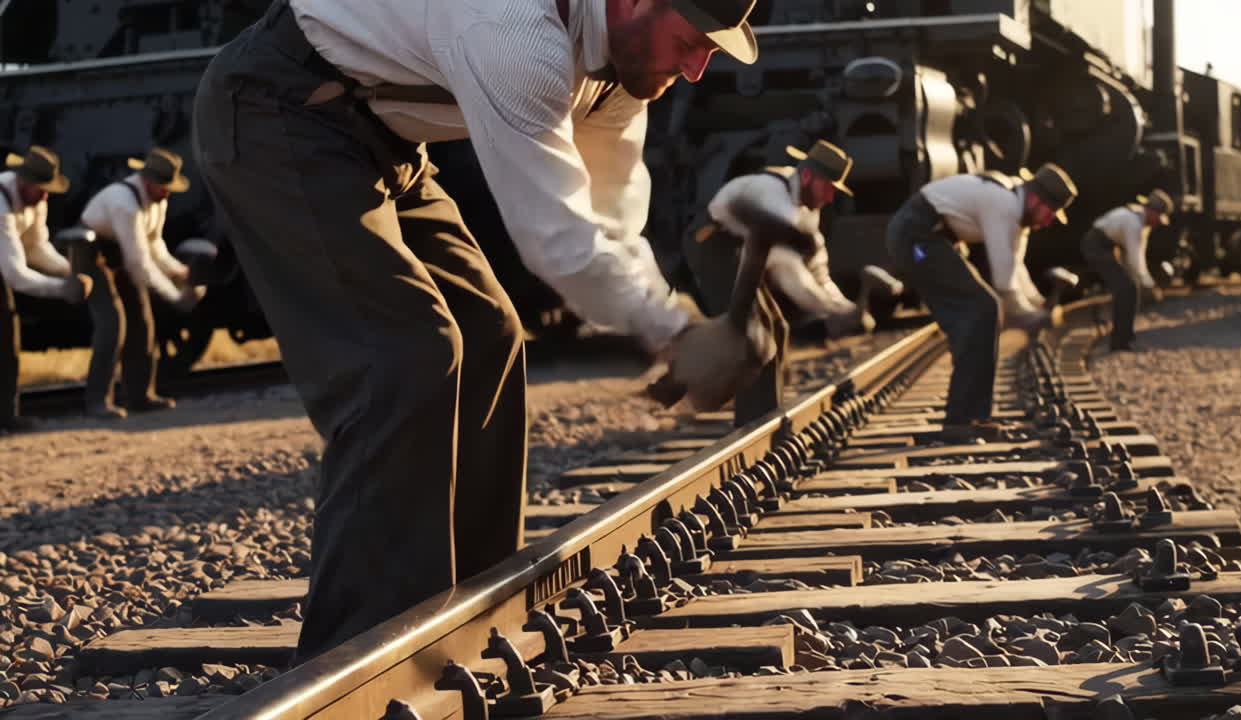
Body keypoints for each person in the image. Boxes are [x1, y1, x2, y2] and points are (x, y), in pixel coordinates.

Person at [192, 0, 764, 663]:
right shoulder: (514, 31)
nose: (695, 70)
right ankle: (358, 655)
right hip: (279, 108)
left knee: (491, 336)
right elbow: (556, 239)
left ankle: (474, 609)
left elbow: (606, 218)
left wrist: (674, 325)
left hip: (382, 136)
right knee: (405, 360)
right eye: (692, 42)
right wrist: (675, 331)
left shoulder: (623, 70)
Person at [886, 164, 1078, 438]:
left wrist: (1038, 303)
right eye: (1051, 212)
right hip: (915, 243)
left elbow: (1016, 269)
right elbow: (1004, 283)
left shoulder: (1016, 209)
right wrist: (1034, 317)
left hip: (929, 240)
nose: (1049, 221)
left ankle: (973, 415)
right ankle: (960, 418)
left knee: (983, 311)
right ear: (1036, 199)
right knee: (980, 310)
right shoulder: (1005, 206)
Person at [685, 139, 857, 425]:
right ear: (806, 176)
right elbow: (792, 275)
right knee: (753, 338)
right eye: (828, 188)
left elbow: (817, 269)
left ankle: (768, 418)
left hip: (748, 255)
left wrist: (845, 307)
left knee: (778, 328)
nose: (829, 198)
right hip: (715, 249)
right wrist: (833, 311)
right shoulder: (772, 197)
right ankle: (752, 425)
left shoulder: (807, 210)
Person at [78, 148, 205, 419]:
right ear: (148, 182)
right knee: (113, 323)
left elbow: (154, 244)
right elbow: (139, 262)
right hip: (93, 256)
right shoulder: (125, 203)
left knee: (143, 322)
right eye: (165, 187)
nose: (169, 192)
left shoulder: (157, 199)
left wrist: (178, 271)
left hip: (123, 255)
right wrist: (174, 295)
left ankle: (139, 396)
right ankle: (97, 401)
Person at [0, 147, 93, 433]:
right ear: (23, 182)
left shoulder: (35, 199)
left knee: (7, 340)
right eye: (42, 189)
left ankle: (7, 417)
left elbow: (37, 247)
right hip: (5, 268)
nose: (46, 196)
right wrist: (63, 289)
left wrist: (69, 271)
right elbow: (16, 274)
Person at [1081, 189, 1173, 351]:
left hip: (1107, 247)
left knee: (1130, 287)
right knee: (1126, 289)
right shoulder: (1133, 223)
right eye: (1159, 217)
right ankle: (1120, 341)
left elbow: (1136, 257)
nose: (1159, 222)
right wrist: (1150, 285)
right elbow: (1135, 259)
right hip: (1097, 247)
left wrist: (1144, 281)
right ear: (1153, 212)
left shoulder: (1139, 221)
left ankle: (1125, 337)